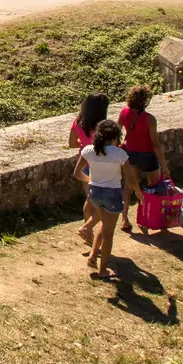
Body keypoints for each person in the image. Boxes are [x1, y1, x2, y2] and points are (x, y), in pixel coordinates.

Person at [73, 119, 129, 278]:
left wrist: (90, 181)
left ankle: (92, 256)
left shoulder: (88, 150)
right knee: (109, 234)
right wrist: (138, 193)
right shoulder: (119, 154)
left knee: (104, 223)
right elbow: (130, 179)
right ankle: (103, 270)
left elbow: (77, 174)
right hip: (113, 193)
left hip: (94, 193)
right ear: (115, 137)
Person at [117, 86, 171, 231]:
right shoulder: (149, 119)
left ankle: (124, 219)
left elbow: (116, 131)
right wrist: (164, 164)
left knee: (128, 187)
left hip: (130, 153)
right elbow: (155, 144)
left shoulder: (123, 113)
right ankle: (148, 217)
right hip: (147, 155)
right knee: (153, 187)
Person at [69, 93, 110, 243]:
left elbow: (72, 143)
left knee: (90, 200)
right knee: (104, 204)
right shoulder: (103, 127)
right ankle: (87, 227)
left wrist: (84, 144)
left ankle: (89, 235)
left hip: (85, 164)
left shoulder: (78, 122)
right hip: (101, 166)